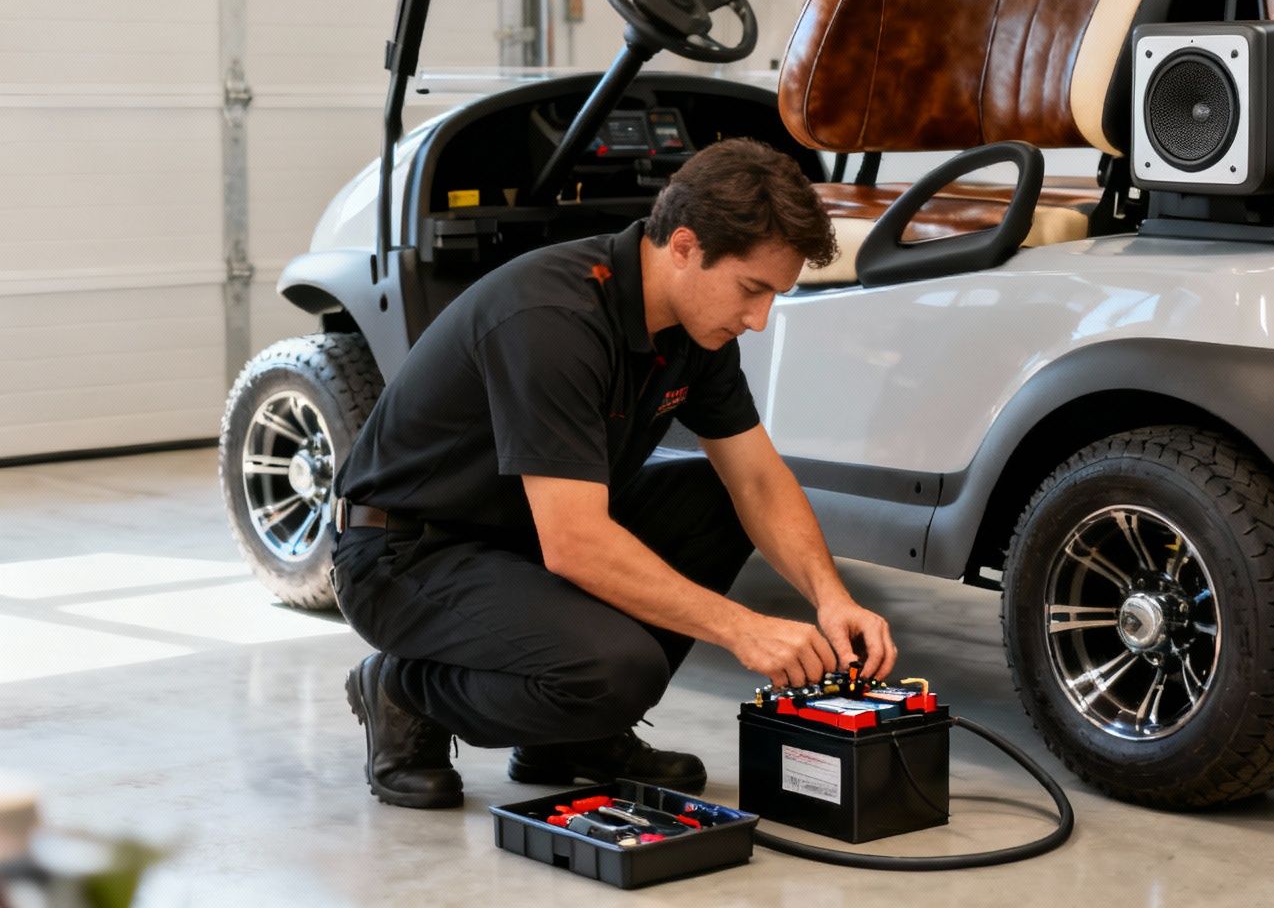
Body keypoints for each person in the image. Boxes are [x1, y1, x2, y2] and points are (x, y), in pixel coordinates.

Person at [328, 138, 894, 808]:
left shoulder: (695, 328)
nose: (760, 319)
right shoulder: (554, 320)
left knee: (714, 498)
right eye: (752, 289)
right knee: (617, 671)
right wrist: (745, 628)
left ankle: (570, 737)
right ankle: (401, 691)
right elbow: (575, 544)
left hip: (519, 541)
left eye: (776, 294)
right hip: (410, 555)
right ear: (684, 246)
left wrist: (832, 599)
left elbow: (758, 482)